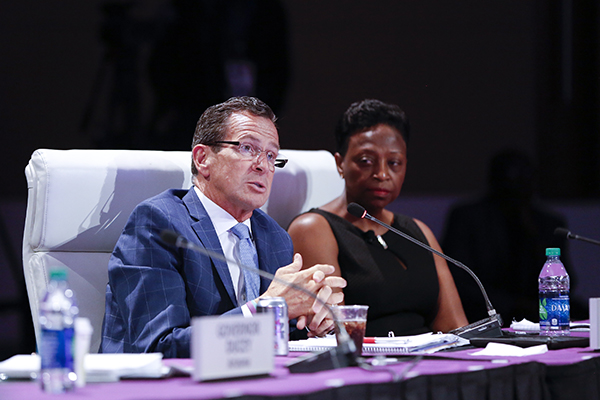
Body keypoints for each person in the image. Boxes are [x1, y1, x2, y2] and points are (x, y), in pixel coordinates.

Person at [101, 97, 345, 357]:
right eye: (248, 148)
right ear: (203, 158)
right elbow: (159, 346)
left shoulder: (274, 236)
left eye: (271, 155)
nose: (263, 165)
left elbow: (280, 339)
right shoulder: (159, 224)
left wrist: (312, 325)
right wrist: (267, 309)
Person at [287, 99, 467, 337]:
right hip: (370, 366)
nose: (382, 174)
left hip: (431, 362)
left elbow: (457, 329)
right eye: (366, 161)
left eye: (394, 163)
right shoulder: (313, 228)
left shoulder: (417, 230)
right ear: (340, 164)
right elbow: (335, 333)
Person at [441, 149, 585, 323]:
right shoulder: (468, 217)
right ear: (494, 181)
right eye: (509, 180)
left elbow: (566, 280)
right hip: (487, 308)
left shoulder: (548, 223)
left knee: (581, 313)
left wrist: (534, 236)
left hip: (539, 306)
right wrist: (514, 305)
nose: (516, 187)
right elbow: (458, 280)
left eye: (524, 179)